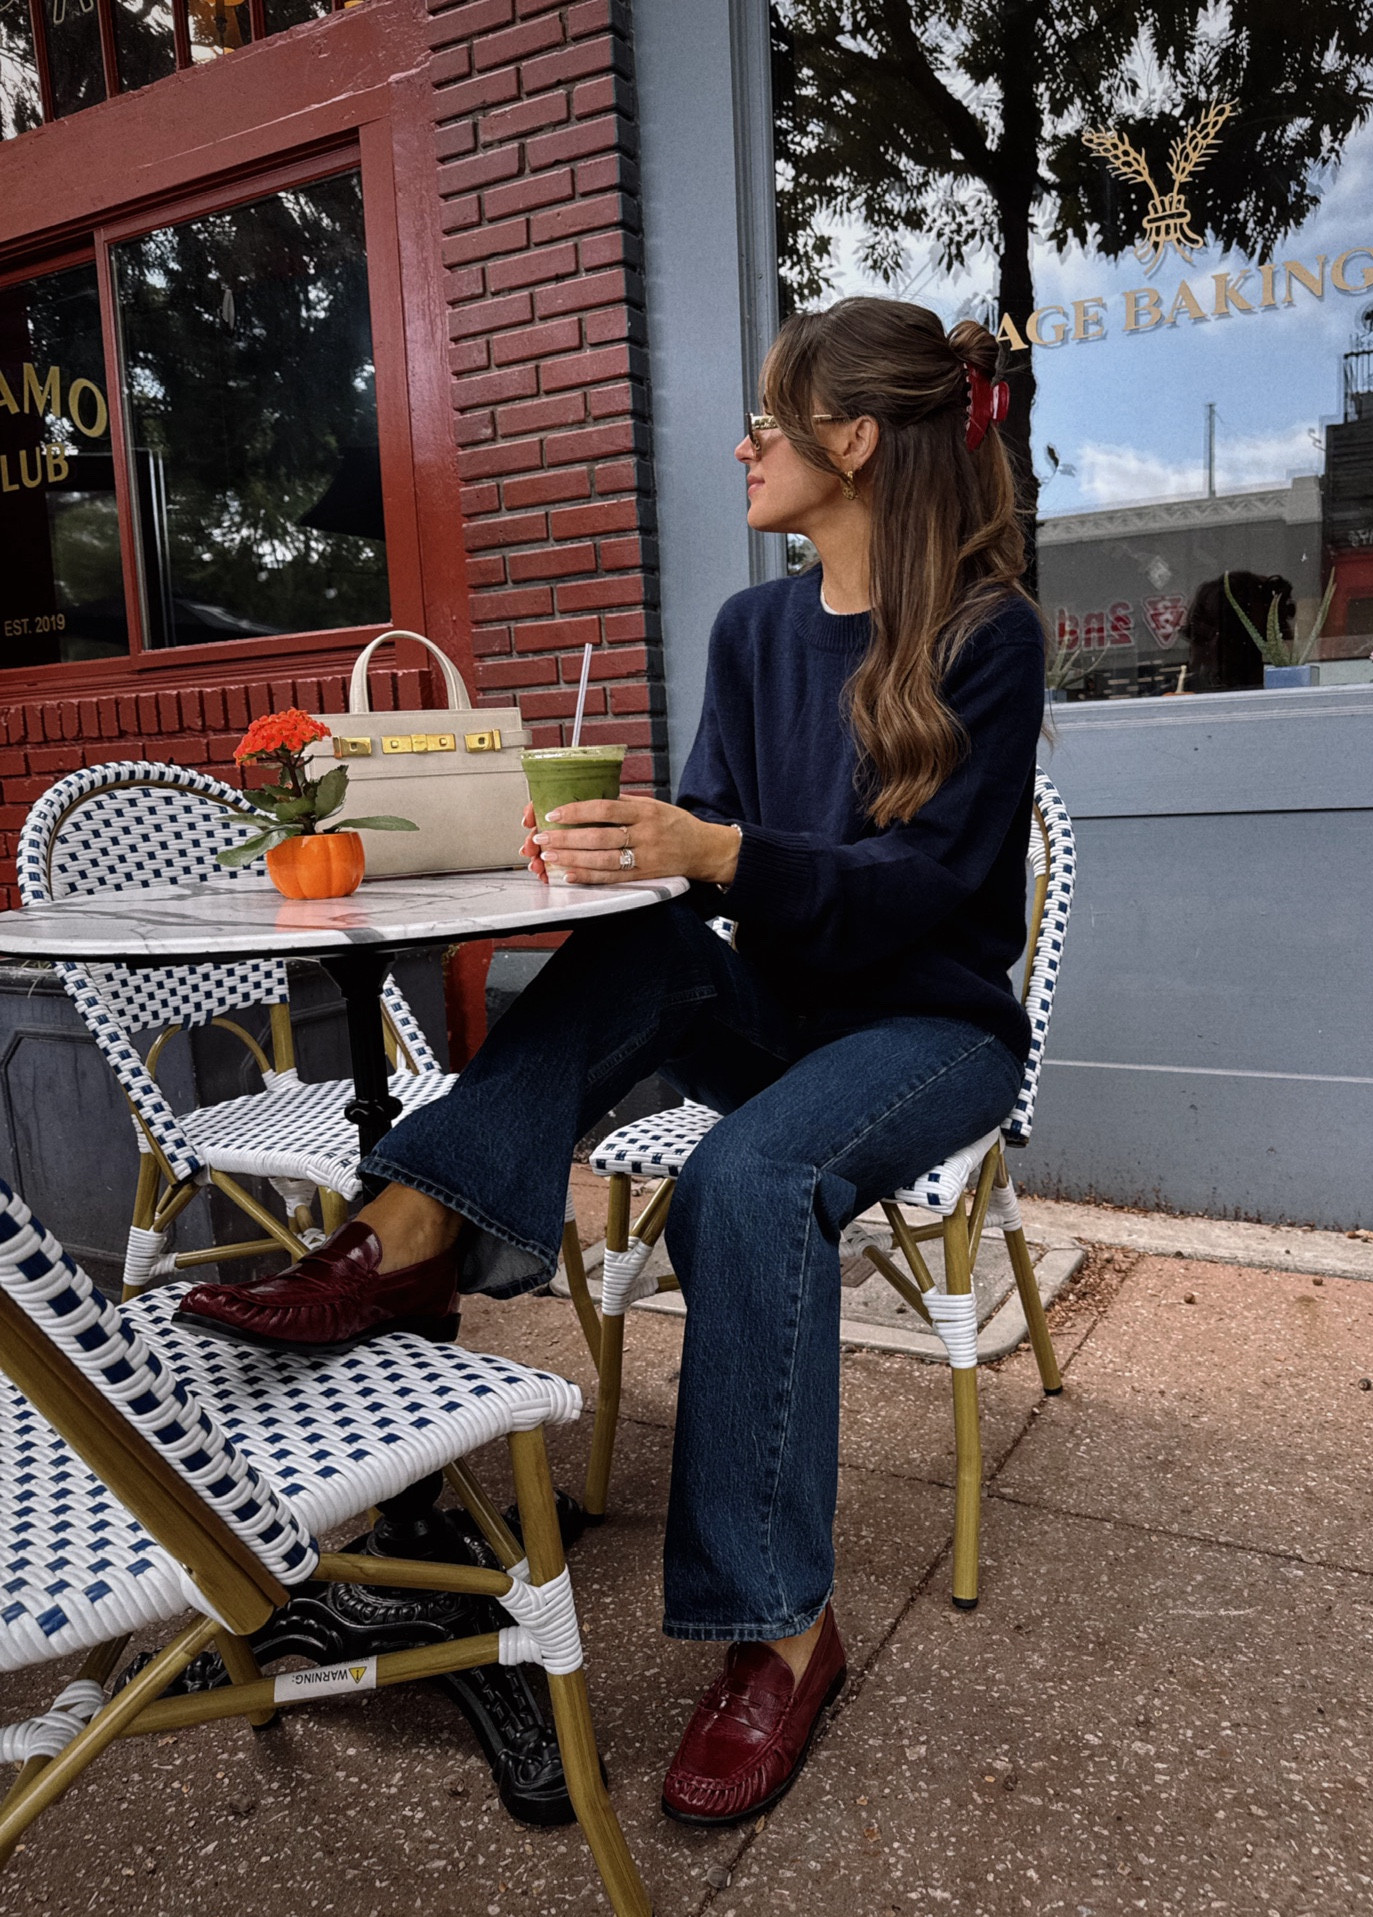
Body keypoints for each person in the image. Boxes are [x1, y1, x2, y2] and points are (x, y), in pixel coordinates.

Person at [175, 296, 1047, 1826]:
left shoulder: (989, 637)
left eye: (770, 420)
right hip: (776, 1008)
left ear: (853, 442)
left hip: (927, 1028)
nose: (746, 444)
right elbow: (712, 869)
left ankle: (782, 1635)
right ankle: (416, 1227)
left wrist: (713, 847)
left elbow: (926, 894)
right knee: (638, 947)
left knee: (747, 1178)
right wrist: (623, 857)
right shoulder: (751, 627)